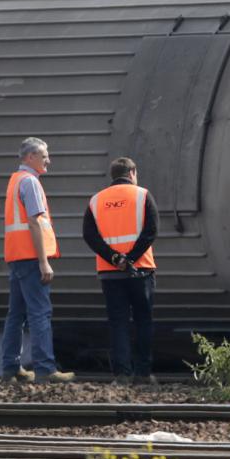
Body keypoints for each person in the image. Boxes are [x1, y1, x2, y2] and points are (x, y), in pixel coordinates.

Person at [0, 137, 73, 383]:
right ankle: (45, 368)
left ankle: (10, 367)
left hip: (18, 257)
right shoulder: (30, 182)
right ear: (30, 157)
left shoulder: (15, 180)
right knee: (40, 312)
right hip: (31, 258)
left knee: (16, 314)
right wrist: (44, 261)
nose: (48, 160)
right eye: (44, 156)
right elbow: (34, 222)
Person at [83, 157, 159, 385]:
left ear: (113, 175)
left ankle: (122, 374)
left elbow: (90, 236)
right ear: (132, 172)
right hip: (141, 271)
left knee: (118, 323)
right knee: (143, 321)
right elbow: (152, 230)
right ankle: (143, 373)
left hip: (110, 273)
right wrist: (131, 258)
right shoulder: (143, 195)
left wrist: (114, 258)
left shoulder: (96, 200)